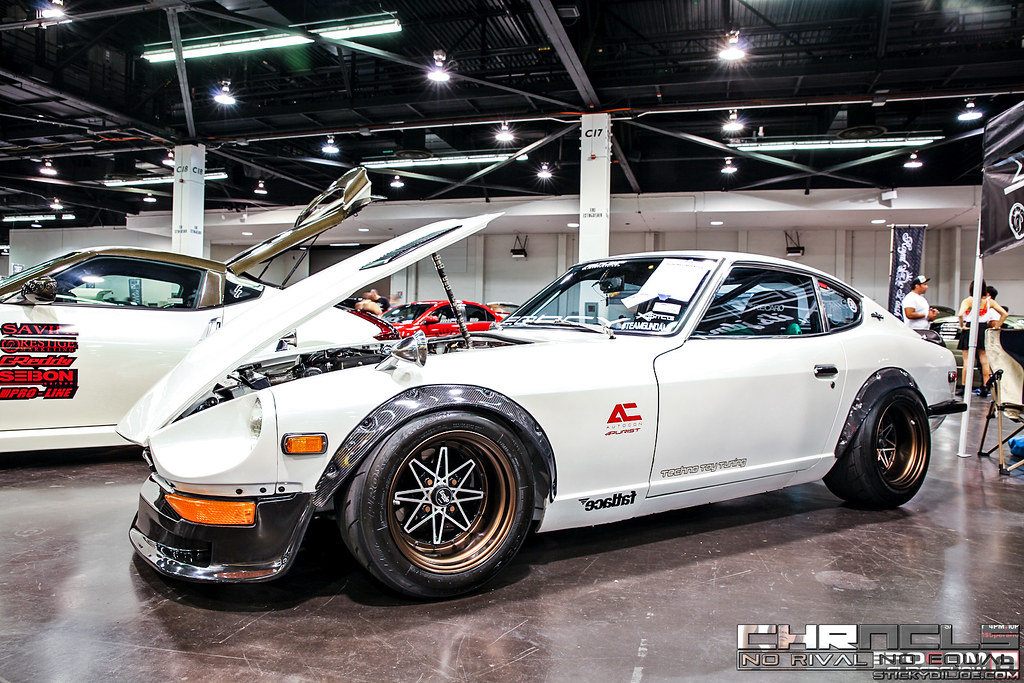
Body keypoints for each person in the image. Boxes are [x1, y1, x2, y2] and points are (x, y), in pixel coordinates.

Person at [956, 280, 1008, 397]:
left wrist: (962, 326)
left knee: (967, 360)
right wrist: (997, 326)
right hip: (983, 328)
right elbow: (1004, 314)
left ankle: (964, 386)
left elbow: (960, 314)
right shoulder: (989, 302)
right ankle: (985, 386)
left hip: (970, 328)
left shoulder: (968, 301)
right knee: (984, 360)